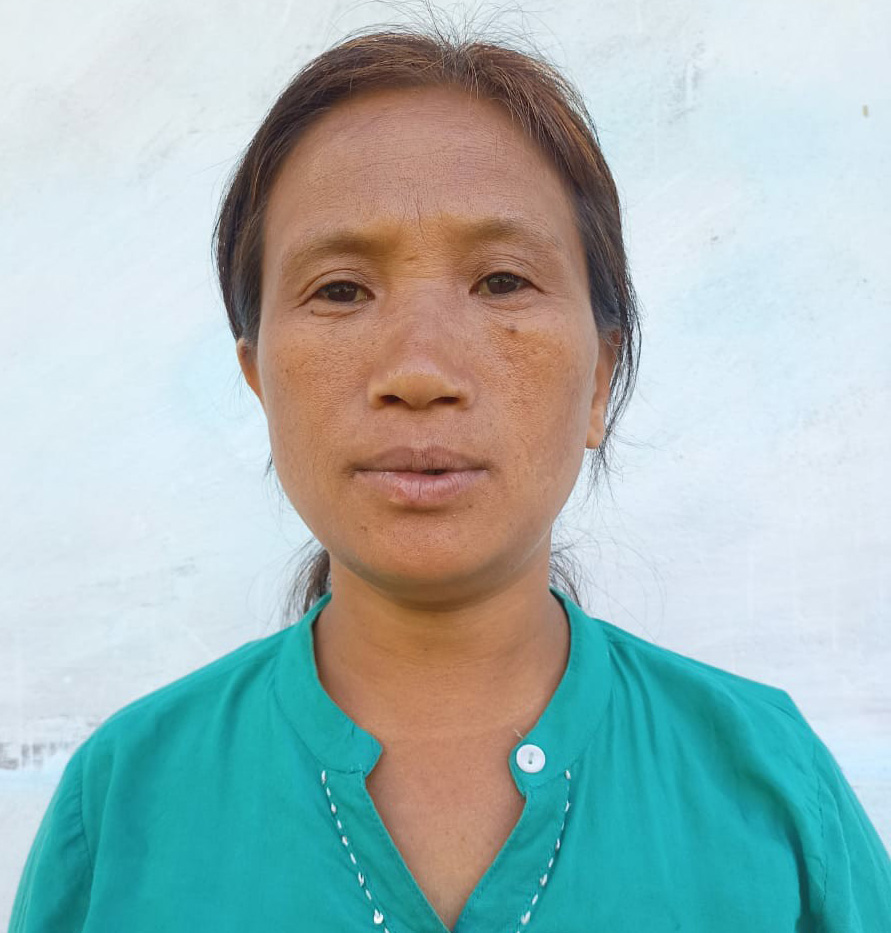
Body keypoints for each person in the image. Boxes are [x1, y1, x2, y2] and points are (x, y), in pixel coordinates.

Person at [9, 27, 891, 933]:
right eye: (340, 289)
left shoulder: (770, 785)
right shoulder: (123, 803)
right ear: (257, 377)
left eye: (502, 281)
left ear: (598, 378)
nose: (419, 370)